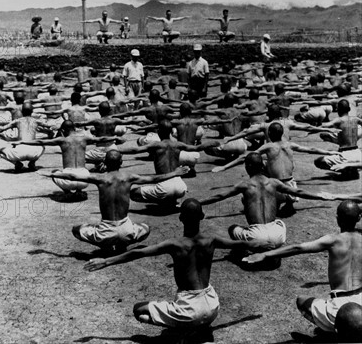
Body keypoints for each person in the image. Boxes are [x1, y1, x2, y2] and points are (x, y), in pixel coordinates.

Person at [83, 198, 262, 336]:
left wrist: (106, 261)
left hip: (190, 310)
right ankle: (198, 326)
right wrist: (261, 246)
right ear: (202, 216)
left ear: (180, 218)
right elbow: (238, 243)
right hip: (213, 306)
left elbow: (138, 253)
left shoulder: (175, 244)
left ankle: (185, 330)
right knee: (195, 313)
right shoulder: (212, 240)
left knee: (139, 310)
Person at [244, 200, 362, 335]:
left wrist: (265, 254)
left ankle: (338, 330)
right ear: (359, 218)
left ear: (337, 219)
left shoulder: (333, 240)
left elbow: (298, 247)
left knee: (301, 301)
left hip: (338, 307)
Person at [52, 150, 189, 252]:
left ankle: (104, 244)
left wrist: (53, 174)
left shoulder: (100, 178)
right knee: (146, 228)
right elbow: (154, 179)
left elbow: (72, 176)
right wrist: (175, 173)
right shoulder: (129, 177)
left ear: (105, 163)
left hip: (105, 231)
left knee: (76, 230)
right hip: (126, 231)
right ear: (121, 163)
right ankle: (123, 243)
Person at [202, 152, 330, 253]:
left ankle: (244, 251)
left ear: (247, 167)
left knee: (232, 229)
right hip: (277, 235)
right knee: (280, 222)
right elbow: (299, 192)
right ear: (263, 166)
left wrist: (198, 202)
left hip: (256, 236)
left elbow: (219, 196)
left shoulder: (245, 185)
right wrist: (322, 196)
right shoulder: (273, 182)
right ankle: (269, 248)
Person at [120, 120, 219, 209]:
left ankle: (164, 201)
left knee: (133, 193)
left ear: (158, 132)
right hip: (181, 187)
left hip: (164, 188)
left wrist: (117, 150)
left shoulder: (156, 145)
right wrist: (211, 143)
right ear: (171, 132)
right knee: (166, 188)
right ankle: (170, 200)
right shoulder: (178, 144)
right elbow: (197, 148)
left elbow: (135, 150)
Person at [19, 120, 117, 195]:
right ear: (74, 129)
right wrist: (115, 138)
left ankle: (67, 193)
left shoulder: (62, 140)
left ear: (63, 130)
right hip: (84, 180)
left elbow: (41, 142)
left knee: (54, 173)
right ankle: (79, 191)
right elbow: (101, 138)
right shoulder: (84, 138)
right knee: (82, 169)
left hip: (68, 180)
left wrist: (22, 142)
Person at [0, 102, 50, 172]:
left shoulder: (17, 121)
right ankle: (32, 163)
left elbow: (1, 129)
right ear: (32, 111)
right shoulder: (36, 121)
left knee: (1, 152)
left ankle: (17, 164)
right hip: (33, 153)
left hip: (19, 152)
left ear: (22, 111)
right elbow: (49, 126)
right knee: (42, 146)